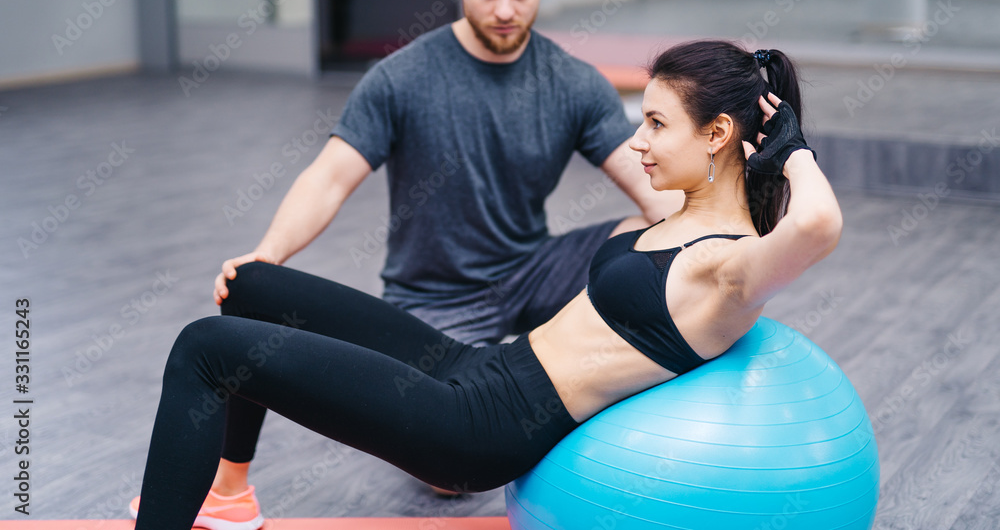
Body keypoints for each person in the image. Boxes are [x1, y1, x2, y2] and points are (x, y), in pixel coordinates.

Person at [130, 40, 843, 530]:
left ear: (717, 134)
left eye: (657, 123)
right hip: (474, 367)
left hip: (476, 430)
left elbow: (816, 226)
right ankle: (228, 499)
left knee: (205, 348)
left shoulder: (729, 265)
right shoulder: (677, 216)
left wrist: (793, 154)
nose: (640, 141)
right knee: (253, 284)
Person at [213, 0, 677, 347]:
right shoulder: (401, 78)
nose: (503, 11)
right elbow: (328, 180)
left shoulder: (574, 83)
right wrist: (268, 255)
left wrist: (718, 243)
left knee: (648, 243)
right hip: (434, 299)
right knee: (459, 408)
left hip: (533, 270)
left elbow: (647, 184)